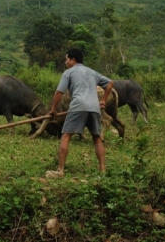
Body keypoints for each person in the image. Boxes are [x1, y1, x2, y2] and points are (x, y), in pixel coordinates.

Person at [45, 48, 114, 178]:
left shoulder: (68, 72)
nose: (65, 62)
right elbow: (110, 83)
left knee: (65, 136)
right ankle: (103, 170)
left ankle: (60, 170)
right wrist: (103, 100)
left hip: (78, 106)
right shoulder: (92, 72)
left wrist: (53, 109)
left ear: (73, 60)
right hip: (94, 107)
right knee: (97, 138)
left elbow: (59, 92)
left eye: (66, 59)